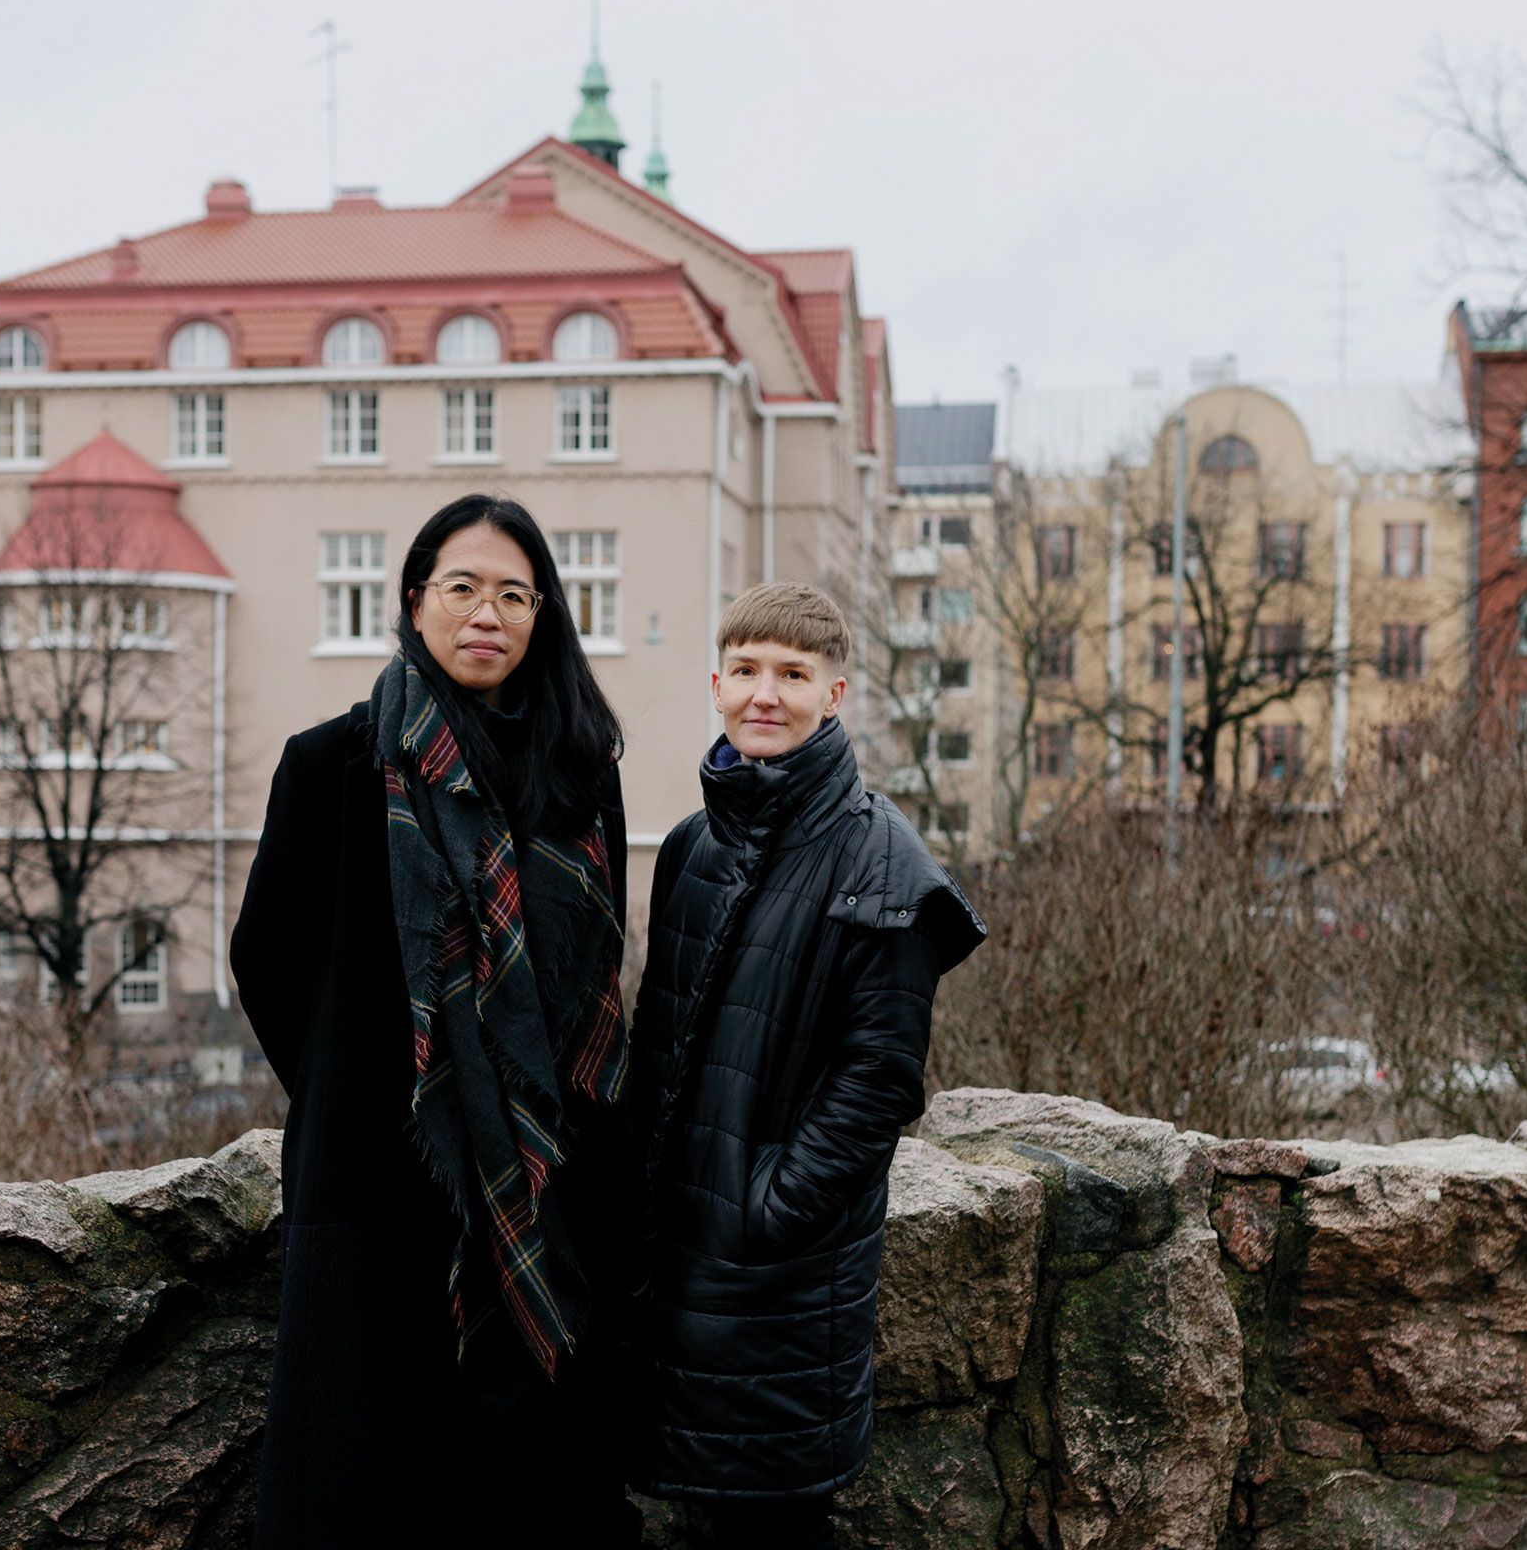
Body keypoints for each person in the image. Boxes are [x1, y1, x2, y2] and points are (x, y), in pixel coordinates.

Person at [230, 493, 640, 1548]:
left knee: (530, 1488)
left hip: (547, 1185)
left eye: (513, 593)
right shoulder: (329, 765)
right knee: (372, 1483)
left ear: (542, 614)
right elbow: (265, 959)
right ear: (413, 602)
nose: (485, 613)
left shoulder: (579, 774)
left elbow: (600, 971)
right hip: (373, 1177)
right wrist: (358, 1087)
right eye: (461, 587)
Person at [626, 581, 985, 1549]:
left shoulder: (882, 861)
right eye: (745, 670)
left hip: (777, 1282)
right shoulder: (693, 846)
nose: (764, 694)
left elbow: (878, 1083)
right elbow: (657, 1045)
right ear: (715, 683)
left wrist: (764, 1211)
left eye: (791, 674)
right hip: (670, 1267)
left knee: (771, 1526)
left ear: (834, 694)